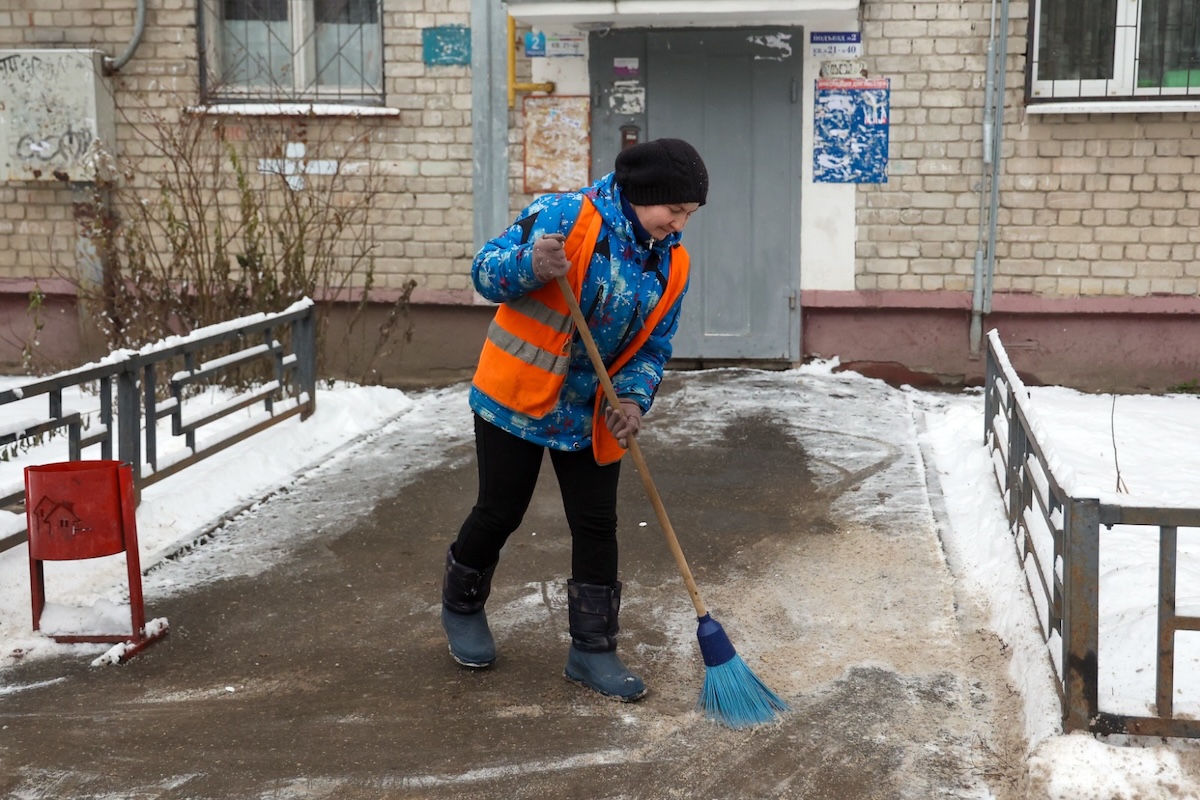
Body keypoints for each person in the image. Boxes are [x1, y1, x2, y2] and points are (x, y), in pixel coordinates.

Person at [439, 138, 708, 702]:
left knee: (596, 523)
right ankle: (461, 605)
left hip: (593, 411)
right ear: (642, 195)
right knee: (500, 510)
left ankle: (592, 649)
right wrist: (531, 263)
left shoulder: (671, 260)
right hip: (516, 397)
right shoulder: (567, 216)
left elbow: (654, 345)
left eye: (689, 215)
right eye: (674, 210)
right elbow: (484, 272)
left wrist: (633, 398)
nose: (680, 224)